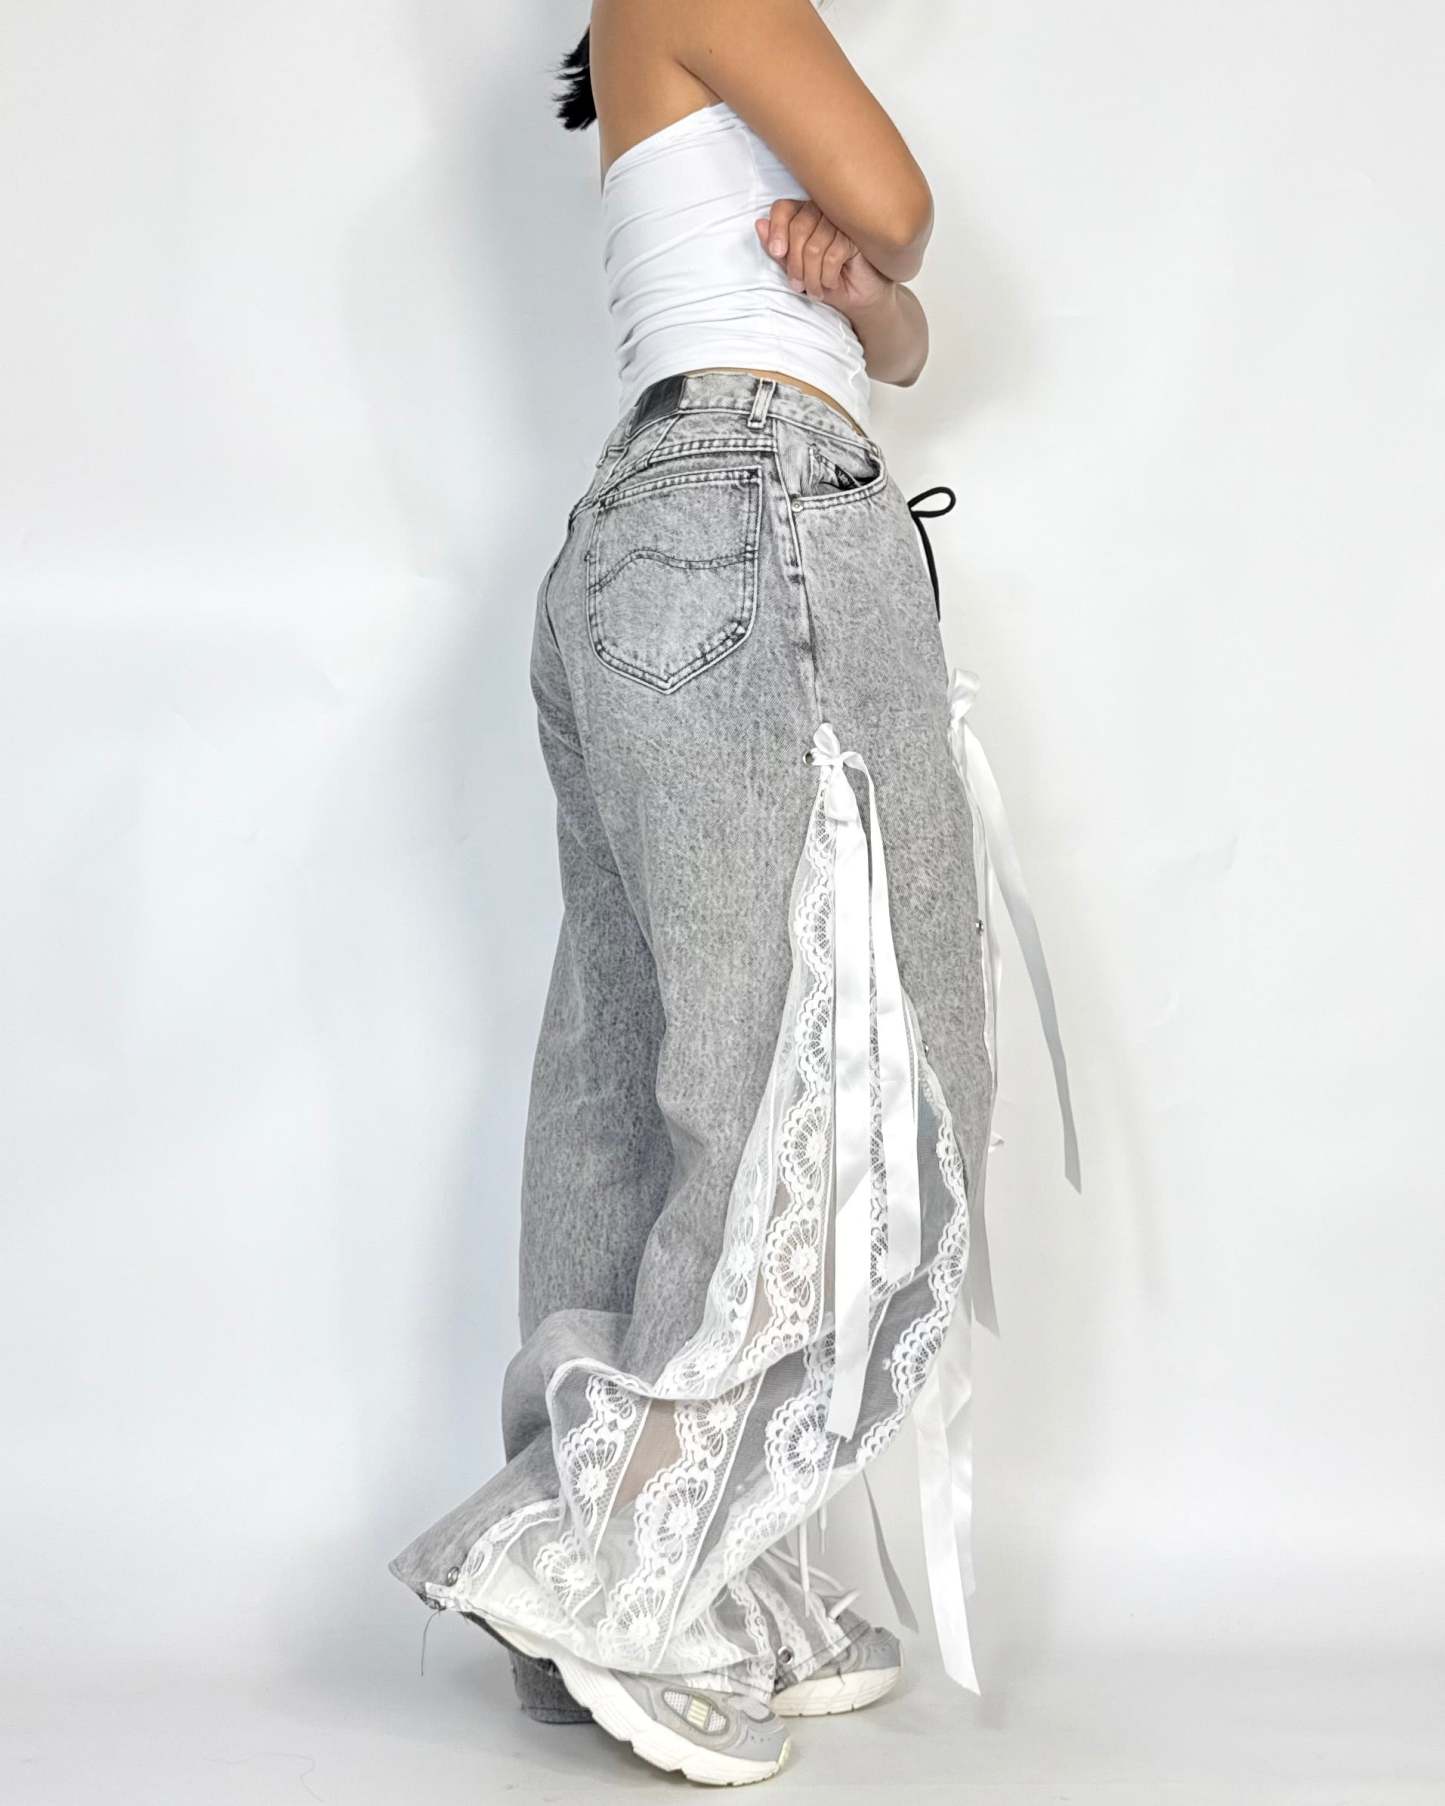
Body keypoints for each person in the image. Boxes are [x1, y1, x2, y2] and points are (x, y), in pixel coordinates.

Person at [391, 0, 1078, 1784]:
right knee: (820, 1058)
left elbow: (896, 326)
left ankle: (648, 1558)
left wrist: (857, 284)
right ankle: (609, 1561)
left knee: (636, 1072)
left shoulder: (675, 43)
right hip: (756, 518)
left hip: (658, 536)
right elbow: (900, 206)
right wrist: (876, 249)